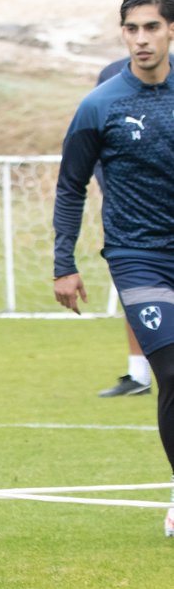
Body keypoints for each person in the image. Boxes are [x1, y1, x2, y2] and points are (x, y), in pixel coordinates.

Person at [52, 0, 174, 537]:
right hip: (138, 255)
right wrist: (64, 263)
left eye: (152, 27)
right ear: (122, 33)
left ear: (170, 31)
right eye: (132, 28)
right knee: (172, 370)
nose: (142, 39)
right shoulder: (101, 104)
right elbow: (70, 186)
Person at [93, 55, 171, 398]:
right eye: (133, 26)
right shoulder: (110, 78)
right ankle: (139, 374)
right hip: (133, 228)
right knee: (140, 293)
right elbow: (97, 147)